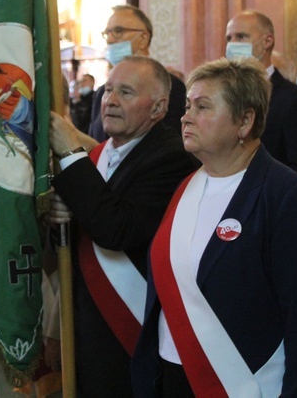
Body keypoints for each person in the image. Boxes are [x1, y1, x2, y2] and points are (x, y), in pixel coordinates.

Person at [132, 57, 297, 397]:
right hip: (172, 377)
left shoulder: (289, 196)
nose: (185, 117)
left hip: (246, 382)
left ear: (245, 121)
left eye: (203, 107)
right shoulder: (185, 188)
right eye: (187, 106)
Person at [47, 56, 198, 397]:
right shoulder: (101, 154)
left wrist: (70, 152)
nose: (110, 100)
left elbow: (116, 230)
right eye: (108, 89)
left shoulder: (171, 157)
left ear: (158, 107)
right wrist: (60, 216)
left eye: (125, 92)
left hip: (127, 331)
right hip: (85, 326)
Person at [224, 10, 297, 176]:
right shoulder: (225, 96)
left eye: (241, 37)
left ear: (267, 41)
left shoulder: (296, 101)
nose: (232, 44)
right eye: (229, 38)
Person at [88, 4, 187, 142]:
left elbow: (171, 145)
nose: (110, 39)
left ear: (143, 39)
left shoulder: (171, 87)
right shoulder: (101, 93)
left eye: (118, 31)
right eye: (107, 33)